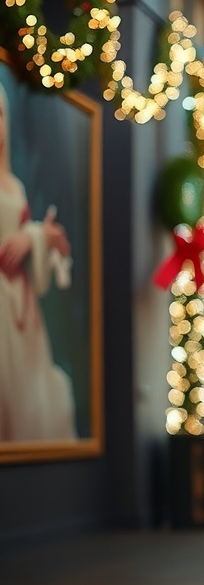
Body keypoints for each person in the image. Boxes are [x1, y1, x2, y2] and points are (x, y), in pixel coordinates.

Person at [0, 80, 76, 442]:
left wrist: (38, 238)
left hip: (23, 306)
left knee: (30, 392)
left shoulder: (14, 185)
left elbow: (27, 242)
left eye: (0, 114)